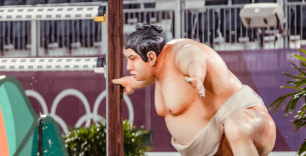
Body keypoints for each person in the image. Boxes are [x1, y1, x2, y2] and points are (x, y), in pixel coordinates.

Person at [112, 24, 275, 156]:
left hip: (251, 124)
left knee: (236, 126)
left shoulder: (182, 50)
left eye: (132, 59)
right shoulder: (160, 67)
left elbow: (193, 58)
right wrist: (132, 82)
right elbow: (159, 75)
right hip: (215, 150)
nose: (129, 66)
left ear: (151, 57)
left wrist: (197, 76)